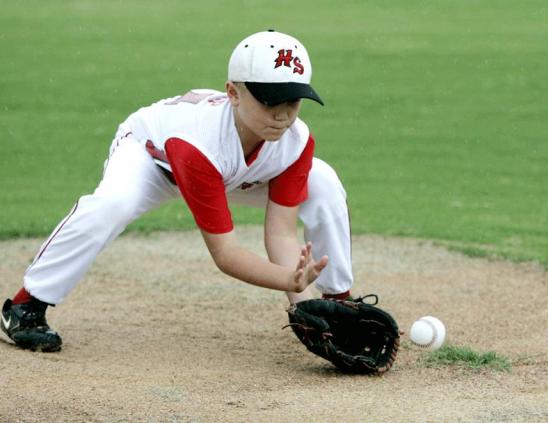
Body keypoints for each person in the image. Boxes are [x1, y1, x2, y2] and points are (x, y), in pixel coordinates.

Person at [1, 30, 354, 352]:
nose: (282, 115)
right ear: (233, 92)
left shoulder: (294, 141)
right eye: (269, 101)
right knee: (114, 203)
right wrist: (288, 280)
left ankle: (340, 303)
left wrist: (306, 306)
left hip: (231, 170)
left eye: (292, 101)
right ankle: (25, 305)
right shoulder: (197, 142)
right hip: (153, 159)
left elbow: (281, 232)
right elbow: (225, 253)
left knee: (321, 181)